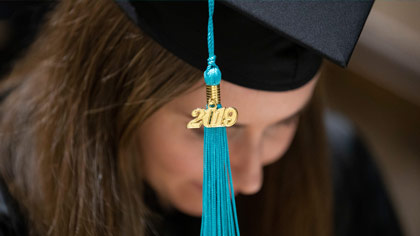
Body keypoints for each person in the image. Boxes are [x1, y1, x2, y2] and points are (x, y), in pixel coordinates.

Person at [0, 0, 403, 236]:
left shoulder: (338, 168)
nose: (251, 179)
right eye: (217, 128)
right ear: (115, 88)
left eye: (283, 123)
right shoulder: (13, 212)